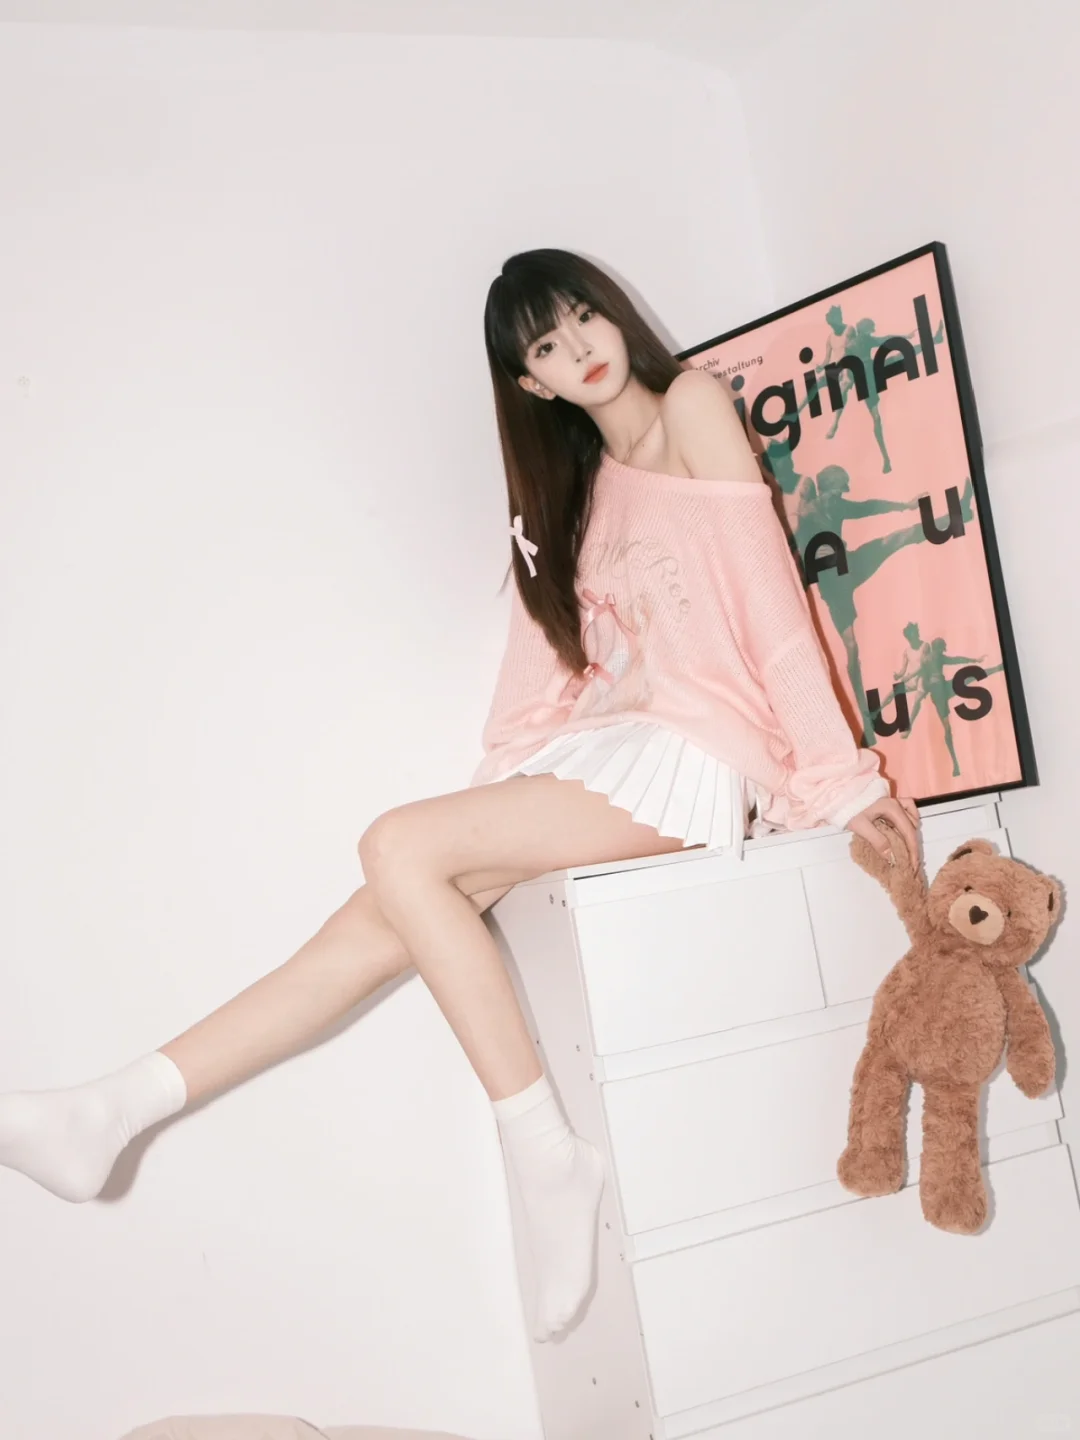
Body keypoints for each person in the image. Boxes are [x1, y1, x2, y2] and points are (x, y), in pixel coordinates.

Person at [0, 248, 919, 1345]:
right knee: (373, 923)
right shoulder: (570, 496)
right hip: (618, 750)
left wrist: (838, 781)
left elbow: (770, 601)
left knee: (397, 846)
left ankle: (545, 1155)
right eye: (547, 347)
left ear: (615, 314)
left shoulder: (693, 407)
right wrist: (506, 791)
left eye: (583, 318)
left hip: (702, 758)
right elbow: (542, 682)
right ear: (529, 383)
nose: (580, 349)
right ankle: (116, 1107)